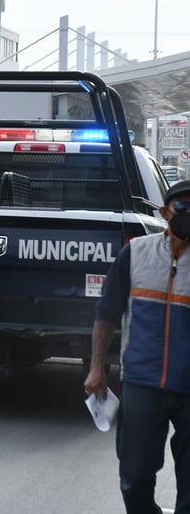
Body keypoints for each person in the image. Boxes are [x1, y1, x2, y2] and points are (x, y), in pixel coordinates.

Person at [84, 179, 190, 514]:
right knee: (134, 476)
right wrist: (97, 367)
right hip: (142, 384)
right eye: (183, 208)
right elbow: (107, 312)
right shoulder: (136, 253)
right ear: (164, 213)